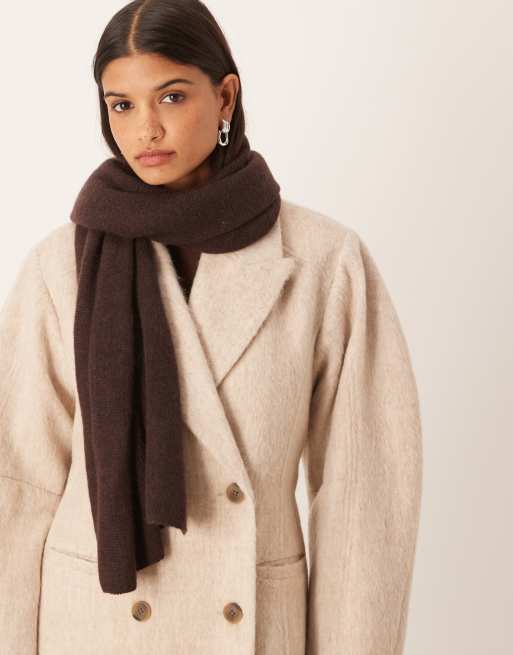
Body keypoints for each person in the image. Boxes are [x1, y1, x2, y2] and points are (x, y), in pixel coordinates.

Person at [0, 1, 423, 654]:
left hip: (252, 626)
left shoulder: (324, 262)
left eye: (171, 96)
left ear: (225, 96)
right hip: (93, 627)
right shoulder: (63, 267)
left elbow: (366, 499)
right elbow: (18, 485)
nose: (145, 128)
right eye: (122, 105)